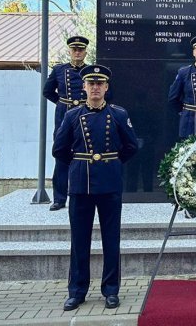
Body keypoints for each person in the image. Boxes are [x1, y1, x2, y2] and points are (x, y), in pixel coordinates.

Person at [52, 65, 139, 311]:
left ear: (106, 87)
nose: (95, 88)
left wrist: (111, 163)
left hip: (109, 183)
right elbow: (59, 150)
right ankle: (77, 291)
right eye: (91, 84)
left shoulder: (118, 114)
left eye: (100, 84)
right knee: (80, 240)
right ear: (85, 87)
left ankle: (111, 290)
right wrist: (80, 165)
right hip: (81, 185)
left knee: (111, 239)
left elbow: (131, 146)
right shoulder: (72, 116)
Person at [44, 36, 112, 211]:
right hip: (64, 115)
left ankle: (86, 191)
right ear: (69, 51)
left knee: (86, 153)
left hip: (86, 114)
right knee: (61, 156)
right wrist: (63, 103)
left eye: (80, 50)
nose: (77, 53)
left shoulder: (90, 73)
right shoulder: (59, 70)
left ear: (85, 52)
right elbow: (48, 91)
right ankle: (59, 198)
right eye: (74, 49)